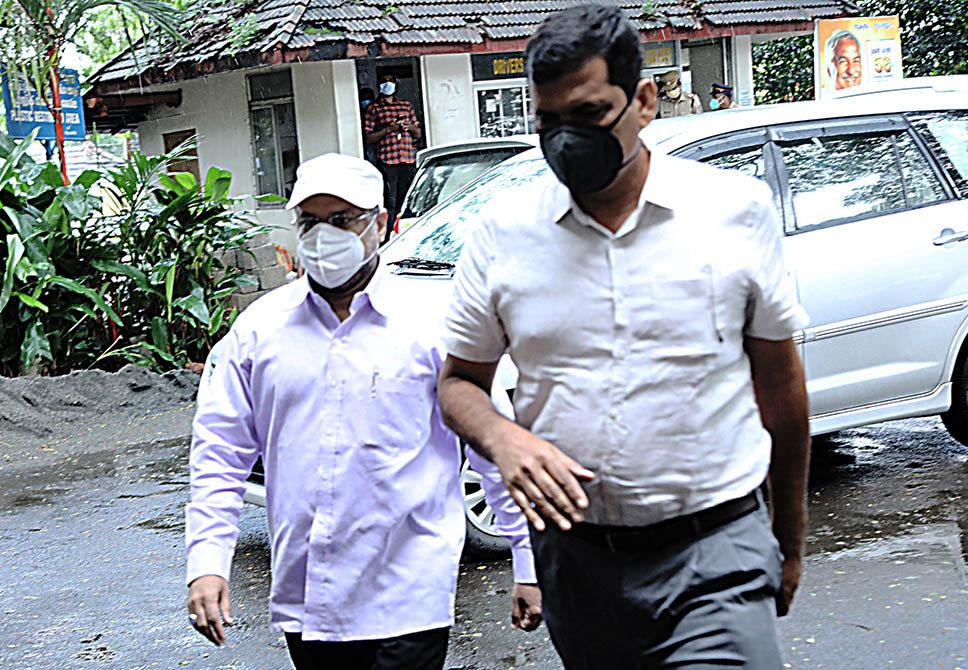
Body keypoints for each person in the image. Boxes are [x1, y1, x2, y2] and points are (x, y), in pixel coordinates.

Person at [437, 5, 811, 669]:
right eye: (547, 123)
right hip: (576, 561)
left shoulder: (733, 211)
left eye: (587, 116)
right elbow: (459, 383)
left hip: (714, 545)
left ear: (643, 101)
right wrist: (501, 437)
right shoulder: (501, 233)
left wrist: (790, 535)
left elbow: (779, 386)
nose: (565, 141)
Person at [185, 153, 541, 670]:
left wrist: (527, 558)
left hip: (409, 592)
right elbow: (219, 454)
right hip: (309, 594)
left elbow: (492, 446)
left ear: (378, 223)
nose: (323, 236)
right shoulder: (259, 332)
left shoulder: (433, 325)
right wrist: (207, 563)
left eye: (341, 220)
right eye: (309, 222)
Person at [363, 73, 421, 241]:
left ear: (396, 83)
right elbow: (368, 137)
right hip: (388, 161)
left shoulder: (405, 106)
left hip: (407, 159)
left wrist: (407, 127)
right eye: (384, 81)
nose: (388, 84)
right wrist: (389, 129)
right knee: (390, 201)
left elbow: (418, 132)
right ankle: (389, 237)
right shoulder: (374, 108)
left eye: (391, 81)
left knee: (408, 200)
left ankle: (406, 234)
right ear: (379, 85)